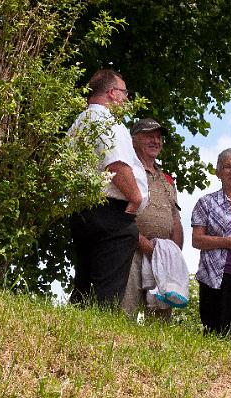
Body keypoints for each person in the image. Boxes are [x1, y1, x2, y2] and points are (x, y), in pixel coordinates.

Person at [69, 69, 148, 306]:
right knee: (107, 292)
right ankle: (97, 338)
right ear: (113, 93)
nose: (126, 99)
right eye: (125, 93)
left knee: (84, 285)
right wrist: (135, 199)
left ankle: (72, 333)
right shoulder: (105, 120)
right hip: (111, 213)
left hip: (83, 210)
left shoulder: (79, 122)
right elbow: (116, 163)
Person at [120, 118, 184, 318]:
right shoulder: (128, 171)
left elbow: (175, 217)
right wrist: (145, 244)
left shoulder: (167, 179)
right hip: (131, 250)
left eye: (158, 137)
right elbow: (120, 214)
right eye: (149, 136)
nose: (156, 141)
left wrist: (173, 251)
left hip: (162, 256)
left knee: (160, 320)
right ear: (134, 141)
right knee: (125, 311)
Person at [191, 148, 231, 340]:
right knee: (215, 332)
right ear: (218, 172)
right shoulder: (206, 203)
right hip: (215, 277)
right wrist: (228, 242)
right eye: (227, 167)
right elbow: (197, 240)